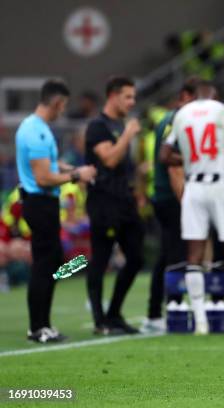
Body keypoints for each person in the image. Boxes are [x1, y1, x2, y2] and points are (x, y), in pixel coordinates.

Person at [162, 82, 224, 335]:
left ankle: (199, 322)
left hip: (194, 187)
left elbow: (165, 156)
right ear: (214, 94)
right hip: (220, 184)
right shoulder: (221, 109)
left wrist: (189, 160)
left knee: (194, 255)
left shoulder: (182, 114)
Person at [16, 79, 96, 342]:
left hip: (42, 203)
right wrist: (75, 174)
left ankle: (42, 324)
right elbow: (42, 178)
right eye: (63, 105)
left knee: (52, 263)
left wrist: (71, 170)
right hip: (40, 202)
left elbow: (50, 165)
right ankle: (38, 326)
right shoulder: (35, 132)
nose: (63, 110)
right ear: (57, 102)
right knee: (45, 266)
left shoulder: (36, 128)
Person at [141, 78, 204, 333]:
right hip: (172, 197)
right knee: (173, 254)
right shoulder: (178, 120)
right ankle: (165, 310)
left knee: (170, 253)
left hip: (165, 196)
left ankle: (162, 310)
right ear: (185, 96)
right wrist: (186, 202)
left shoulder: (170, 119)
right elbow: (172, 166)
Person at [85, 76, 143, 335]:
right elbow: (108, 160)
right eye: (128, 96)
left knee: (136, 258)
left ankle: (114, 313)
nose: (132, 102)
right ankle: (100, 320)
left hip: (124, 201)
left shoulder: (118, 125)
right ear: (113, 96)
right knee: (101, 259)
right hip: (104, 202)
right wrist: (129, 134)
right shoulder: (98, 126)